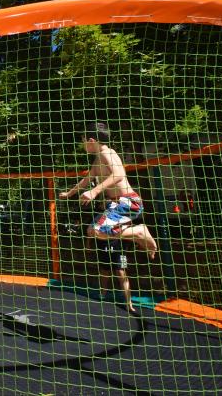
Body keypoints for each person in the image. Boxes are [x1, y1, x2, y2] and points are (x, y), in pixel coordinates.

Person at [59, 122, 157, 259]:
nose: (83, 145)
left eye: (83, 141)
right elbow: (86, 180)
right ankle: (137, 234)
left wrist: (94, 191)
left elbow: (118, 174)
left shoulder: (108, 153)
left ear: (91, 140)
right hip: (116, 204)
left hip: (128, 202)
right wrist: (70, 193)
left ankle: (140, 231)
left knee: (95, 230)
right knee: (92, 231)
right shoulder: (97, 160)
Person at [95, 238, 136, 312]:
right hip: (104, 245)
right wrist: (87, 243)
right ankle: (103, 293)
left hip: (120, 247)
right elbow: (92, 228)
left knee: (121, 272)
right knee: (105, 270)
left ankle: (128, 303)